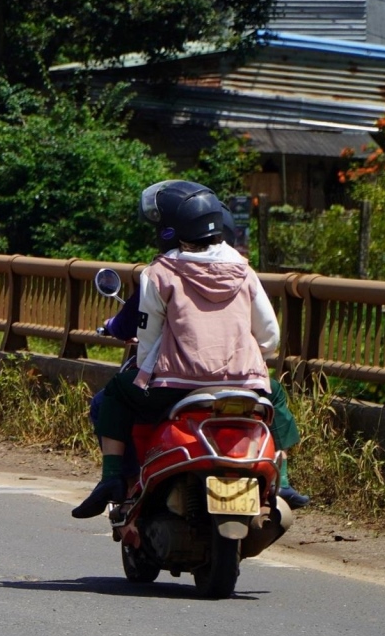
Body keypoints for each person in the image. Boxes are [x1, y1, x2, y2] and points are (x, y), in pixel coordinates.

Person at [72, 190, 298, 518]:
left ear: (170, 229)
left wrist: (149, 373)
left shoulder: (159, 273)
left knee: (117, 395)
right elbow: (271, 337)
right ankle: (286, 484)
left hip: (175, 387)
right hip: (242, 385)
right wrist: (241, 361)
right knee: (274, 395)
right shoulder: (243, 269)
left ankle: (111, 481)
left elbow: (148, 340)